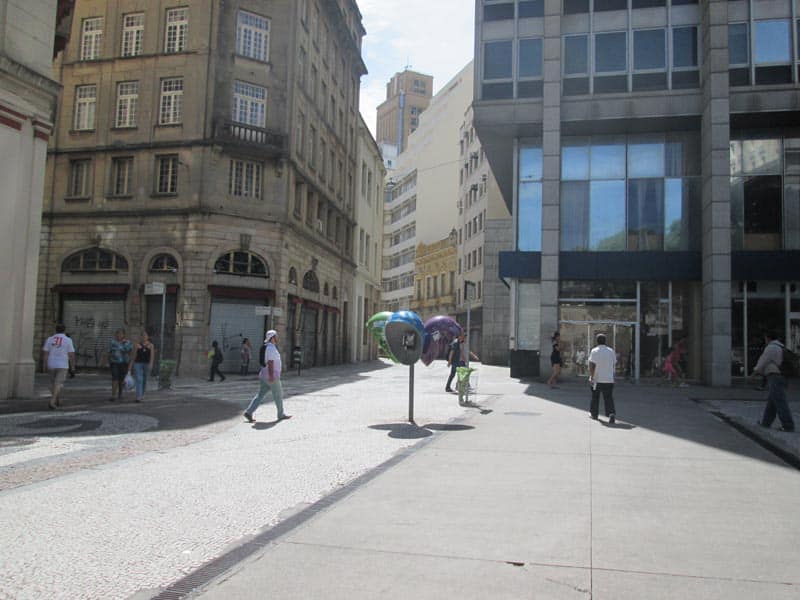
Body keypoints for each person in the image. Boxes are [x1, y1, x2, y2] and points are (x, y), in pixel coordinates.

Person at [243, 330, 291, 422]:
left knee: (260, 394)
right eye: (276, 336)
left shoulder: (267, 347)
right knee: (278, 395)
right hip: (272, 376)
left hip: (264, 375)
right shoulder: (271, 348)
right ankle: (281, 414)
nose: (277, 338)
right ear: (272, 338)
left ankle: (249, 412)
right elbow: (270, 362)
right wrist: (272, 375)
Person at [754, 331, 795, 433]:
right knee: (772, 401)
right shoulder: (781, 346)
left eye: (765, 338)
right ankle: (766, 422)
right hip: (781, 375)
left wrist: (755, 372)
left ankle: (788, 425)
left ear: (767, 338)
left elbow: (763, 361)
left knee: (780, 401)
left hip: (775, 375)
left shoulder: (771, 347)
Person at [41, 323, 75, 410]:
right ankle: (52, 401)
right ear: (64, 330)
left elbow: (46, 353)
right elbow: (71, 354)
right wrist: (72, 366)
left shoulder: (49, 339)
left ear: (55, 330)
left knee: (54, 384)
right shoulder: (68, 340)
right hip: (63, 364)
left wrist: (44, 365)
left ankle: (57, 400)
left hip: (51, 363)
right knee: (58, 383)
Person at [588, 333, 617, 424]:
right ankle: (611, 414)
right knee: (608, 397)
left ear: (597, 341)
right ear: (605, 341)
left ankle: (594, 414)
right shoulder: (611, 351)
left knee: (595, 397)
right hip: (609, 379)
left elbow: (592, 365)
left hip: (597, 379)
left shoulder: (594, 351)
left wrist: (591, 377)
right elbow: (613, 364)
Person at [128, 331, 155, 402]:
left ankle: (143, 393)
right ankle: (138, 396)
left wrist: (151, 364)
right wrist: (130, 366)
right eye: (142, 335)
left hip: (146, 364)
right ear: (140, 337)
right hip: (138, 363)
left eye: (145, 335)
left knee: (144, 379)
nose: (144, 337)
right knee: (139, 379)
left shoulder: (151, 345)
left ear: (147, 337)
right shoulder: (137, 345)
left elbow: (152, 356)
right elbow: (133, 356)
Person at [107, 329, 132, 402]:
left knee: (121, 379)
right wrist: (106, 361)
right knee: (115, 377)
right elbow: (108, 352)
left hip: (124, 363)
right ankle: (113, 395)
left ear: (123, 335)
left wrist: (124, 344)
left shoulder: (128, 342)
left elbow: (130, 351)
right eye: (117, 333)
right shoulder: (112, 342)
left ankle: (120, 393)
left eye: (120, 334)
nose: (119, 335)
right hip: (114, 362)